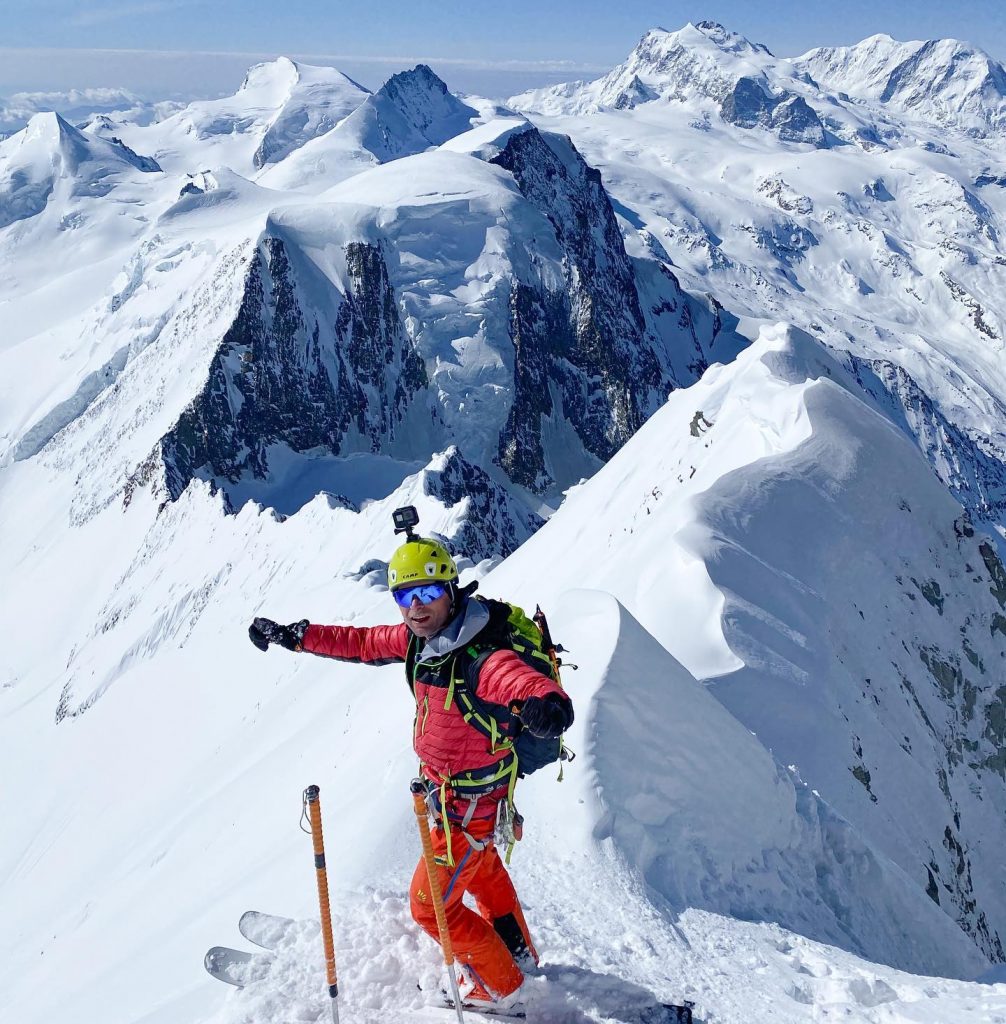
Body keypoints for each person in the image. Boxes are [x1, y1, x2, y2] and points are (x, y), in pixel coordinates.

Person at [248, 517, 573, 1012]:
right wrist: (297, 636)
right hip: (454, 802)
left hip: (465, 810)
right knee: (482, 871)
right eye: (404, 596)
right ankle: (517, 954)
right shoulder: (422, 643)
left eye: (426, 592)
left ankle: (501, 987)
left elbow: (521, 681)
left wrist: (546, 703)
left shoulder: (478, 657)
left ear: (450, 589)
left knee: (430, 906)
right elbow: (360, 643)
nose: (415, 608)